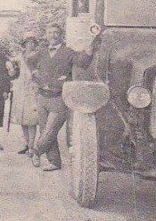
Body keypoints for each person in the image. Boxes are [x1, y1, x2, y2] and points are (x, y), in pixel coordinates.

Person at [31, 22, 99, 171]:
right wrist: (36, 77)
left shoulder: (68, 52)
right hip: (42, 97)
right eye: (50, 33)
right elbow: (30, 63)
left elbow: (81, 62)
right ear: (46, 35)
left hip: (59, 98)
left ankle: (35, 151)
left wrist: (88, 52)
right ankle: (54, 162)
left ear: (60, 35)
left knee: (50, 130)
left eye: (56, 32)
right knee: (45, 130)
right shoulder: (42, 52)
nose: (53, 35)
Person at [8, 34, 41, 158]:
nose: (30, 44)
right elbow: (10, 63)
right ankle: (27, 144)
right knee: (22, 119)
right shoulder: (20, 57)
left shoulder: (38, 56)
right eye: (28, 42)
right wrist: (11, 68)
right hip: (21, 89)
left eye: (32, 42)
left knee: (31, 119)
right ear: (24, 44)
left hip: (33, 89)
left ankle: (32, 147)